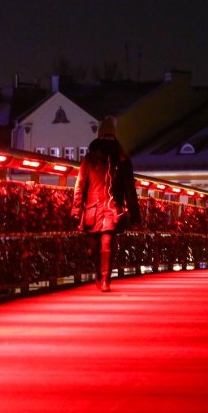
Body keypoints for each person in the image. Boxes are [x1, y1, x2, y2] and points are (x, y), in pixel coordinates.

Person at [72, 116, 141, 292]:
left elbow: (129, 189)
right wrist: (76, 209)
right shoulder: (88, 160)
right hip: (92, 209)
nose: (108, 140)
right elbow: (80, 185)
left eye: (111, 137)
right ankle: (98, 272)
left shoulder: (122, 161)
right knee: (92, 248)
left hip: (112, 208)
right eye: (106, 137)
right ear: (100, 137)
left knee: (107, 243)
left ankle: (105, 279)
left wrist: (134, 213)